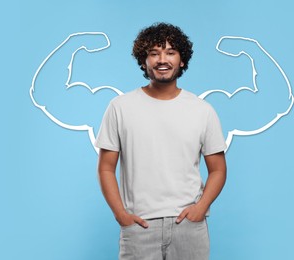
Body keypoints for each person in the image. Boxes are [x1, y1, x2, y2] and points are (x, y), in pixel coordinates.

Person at [96, 22, 227, 260]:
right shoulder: (120, 107)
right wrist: (120, 215)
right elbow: (105, 167)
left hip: (189, 226)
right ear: (144, 61)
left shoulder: (202, 110)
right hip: (139, 226)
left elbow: (218, 169)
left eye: (170, 52)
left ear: (182, 60)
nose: (162, 59)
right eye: (154, 53)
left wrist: (200, 209)